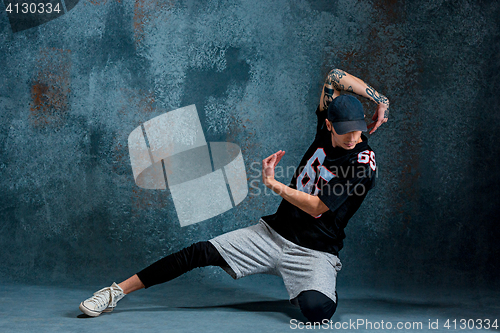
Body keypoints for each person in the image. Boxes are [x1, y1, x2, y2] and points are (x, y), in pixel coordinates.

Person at [79, 69, 390, 323]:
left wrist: (273, 184)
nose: (353, 137)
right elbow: (335, 77)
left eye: (358, 130)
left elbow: (318, 206)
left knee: (316, 311)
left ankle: (324, 284)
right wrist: (380, 98)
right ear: (328, 124)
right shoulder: (325, 131)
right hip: (273, 234)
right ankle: (115, 292)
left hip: (314, 251)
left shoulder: (363, 163)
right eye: (345, 129)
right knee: (200, 252)